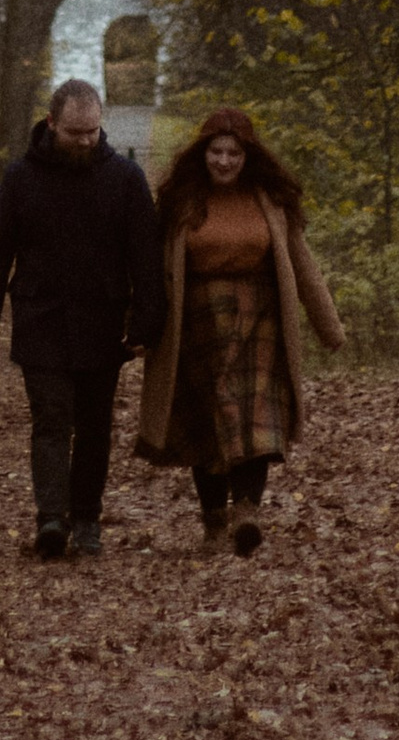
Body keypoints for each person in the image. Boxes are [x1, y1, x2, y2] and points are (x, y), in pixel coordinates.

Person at [0, 76, 166, 561]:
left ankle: (87, 520)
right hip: (42, 318)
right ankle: (51, 518)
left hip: (103, 320)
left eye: (92, 132)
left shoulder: (125, 179)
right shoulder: (21, 178)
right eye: (74, 132)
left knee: (96, 426)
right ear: (52, 123)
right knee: (52, 419)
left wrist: (146, 324)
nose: (84, 141)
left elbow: (146, 258)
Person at [137, 104, 345, 552]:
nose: (225, 161)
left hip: (260, 318)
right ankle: (214, 519)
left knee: (257, 417)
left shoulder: (271, 202)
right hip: (196, 322)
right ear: (203, 153)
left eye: (234, 153)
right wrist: (137, 324)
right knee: (207, 421)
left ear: (248, 156)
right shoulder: (180, 202)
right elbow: (153, 270)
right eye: (217, 152)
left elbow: (302, 265)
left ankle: (247, 511)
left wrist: (329, 327)